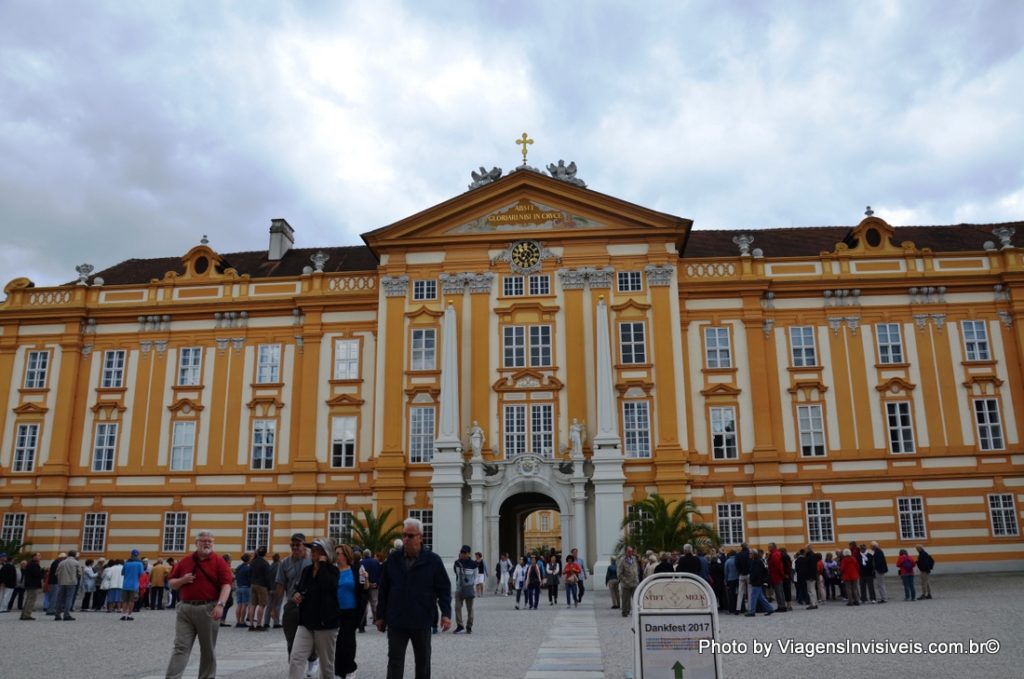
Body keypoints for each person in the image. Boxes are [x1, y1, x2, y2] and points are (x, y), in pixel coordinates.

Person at [375, 517, 452, 679]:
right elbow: (384, 590)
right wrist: (380, 616)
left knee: (423, 662)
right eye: (404, 535)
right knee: (395, 661)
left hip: (421, 619)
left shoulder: (433, 560)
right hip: (397, 619)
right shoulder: (393, 560)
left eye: (410, 536)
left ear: (420, 537)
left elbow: (444, 589)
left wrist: (446, 613)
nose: (406, 539)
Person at [164, 530, 233, 679]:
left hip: (208, 608)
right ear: (196, 543)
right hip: (185, 609)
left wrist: (220, 605)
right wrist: (182, 580)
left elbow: (226, 585)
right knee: (180, 647)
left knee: (207, 649)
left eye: (210, 541)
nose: (207, 543)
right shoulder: (185, 561)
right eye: (203, 541)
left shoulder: (219, 561)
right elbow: (172, 583)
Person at [287, 538, 340, 679]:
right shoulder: (307, 570)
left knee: (326, 665)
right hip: (306, 622)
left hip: (326, 623)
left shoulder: (333, 571)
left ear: (325, 553)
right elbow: (300, 588)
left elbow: (327, 586)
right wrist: (297, 594)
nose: (312, 552)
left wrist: (322, 565)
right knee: (296, 658)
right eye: (312, 550)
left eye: (316, 550)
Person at [276, 533, 317, 678]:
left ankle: (312, 660)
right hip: (292, 605)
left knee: (311, 635)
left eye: (298, 545)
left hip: (311, 604)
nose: (294, 547)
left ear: (304, 545)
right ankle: (293, 666)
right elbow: (281, 584)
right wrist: (276, 607)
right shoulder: (285, 562)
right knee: (290, 637)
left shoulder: (313, 561)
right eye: (292, 545)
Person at [334, 543, 366, 679]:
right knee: (337, 641)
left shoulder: (355, 569)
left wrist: (367, 579)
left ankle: (350, 668)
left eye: (338, 553)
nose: (336, 556)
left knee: (348, 640)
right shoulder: (333, 571)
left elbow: (364, 587)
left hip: (352, 610)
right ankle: (339, 671)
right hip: (335, 611)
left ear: (345, 555)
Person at [452, 545, 476, 633]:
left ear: (469, 554)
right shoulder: (457, 563)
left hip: (469, 588)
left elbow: (475, 576)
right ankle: (460, 625)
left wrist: (472, 585)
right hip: (459, 588)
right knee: (457, 607)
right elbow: (456, 573)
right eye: (461, 552)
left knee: (470, 609)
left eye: (464, 552)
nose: (462, 554)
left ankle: (469, 626)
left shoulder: (473, 564)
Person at [54, 549, 83, 620]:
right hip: (72, 583)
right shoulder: (76, 563)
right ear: (75, 555)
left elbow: (56, 573)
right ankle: (66, 614)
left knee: (59, 599)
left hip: (61, 582)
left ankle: (57, 615)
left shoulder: (61, 562)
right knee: (69, 599)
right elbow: (80, 573)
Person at [745, 549, 774, 616]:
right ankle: (770, 609)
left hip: (756, 582)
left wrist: (752, 579)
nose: (749, 554)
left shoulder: (756, 562)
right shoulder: (757, 561)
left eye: (750, 553)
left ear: (754, 554)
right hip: (758, 581)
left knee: (753, 597)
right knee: (760, 597)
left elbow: (756, 573)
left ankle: (752, 611)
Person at [249, 546, 271, 631]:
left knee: (253, 605)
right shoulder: (265, 563)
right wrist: (269, 588)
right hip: (262, 585)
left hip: (253, 584)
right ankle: (258, 624)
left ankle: (251, 625)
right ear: (265, 553)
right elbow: (267, 577)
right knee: (262, 605)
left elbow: (249, 573)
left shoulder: (252, 562)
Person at [616, 546, 640, 617]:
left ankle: (636, 611)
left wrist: (637, 578)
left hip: (635, 582)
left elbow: (636, 569)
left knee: (635, 598)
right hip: (626, 584)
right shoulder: (622, 560)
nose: (630, 553)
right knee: (625, 599)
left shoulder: (634, 558)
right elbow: (619, 573)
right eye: (629, 551)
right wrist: (625, 581)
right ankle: (625, 612)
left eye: (631, 551)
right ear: (625, 552)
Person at [122, 549, 144, 620]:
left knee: (125, 600)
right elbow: (141, 573)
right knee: (132, 601)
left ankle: (123, 615)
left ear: (131, 554)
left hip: (125, 585)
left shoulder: (126, 563)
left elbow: (122, 573)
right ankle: (129, 615)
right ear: (138, 555)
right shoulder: (139, 563)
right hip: (134, 585)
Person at [21, 552, 44, 620]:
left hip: (30, 584)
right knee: (31, 600)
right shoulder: (33, 564)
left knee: (28, 599)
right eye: (39, 556)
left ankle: (24, 614)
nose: (40, 557)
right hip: (32, 584)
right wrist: (42, 572)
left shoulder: (32, 563)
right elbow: (36, 574)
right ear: (34, 557)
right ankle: (27, 615)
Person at [234, 553, 252, 627]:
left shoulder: (238, 567)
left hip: (238, 587)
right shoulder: (248, 568)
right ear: (248, 559)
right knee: (244, 605)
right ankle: (242, 621)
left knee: (239, 605)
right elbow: (250, 578)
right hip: (246, 587)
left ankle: (238, 621)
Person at [734, 543, 751, 614]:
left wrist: (740, 571)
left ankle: (738, 609)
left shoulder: (738, 554)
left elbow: (736, 564)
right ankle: (750, 608)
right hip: (748, 574)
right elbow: (750, 563)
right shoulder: (749, 554)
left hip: (741, 575)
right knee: (750, 592)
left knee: (740, 593)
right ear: (747, 546)